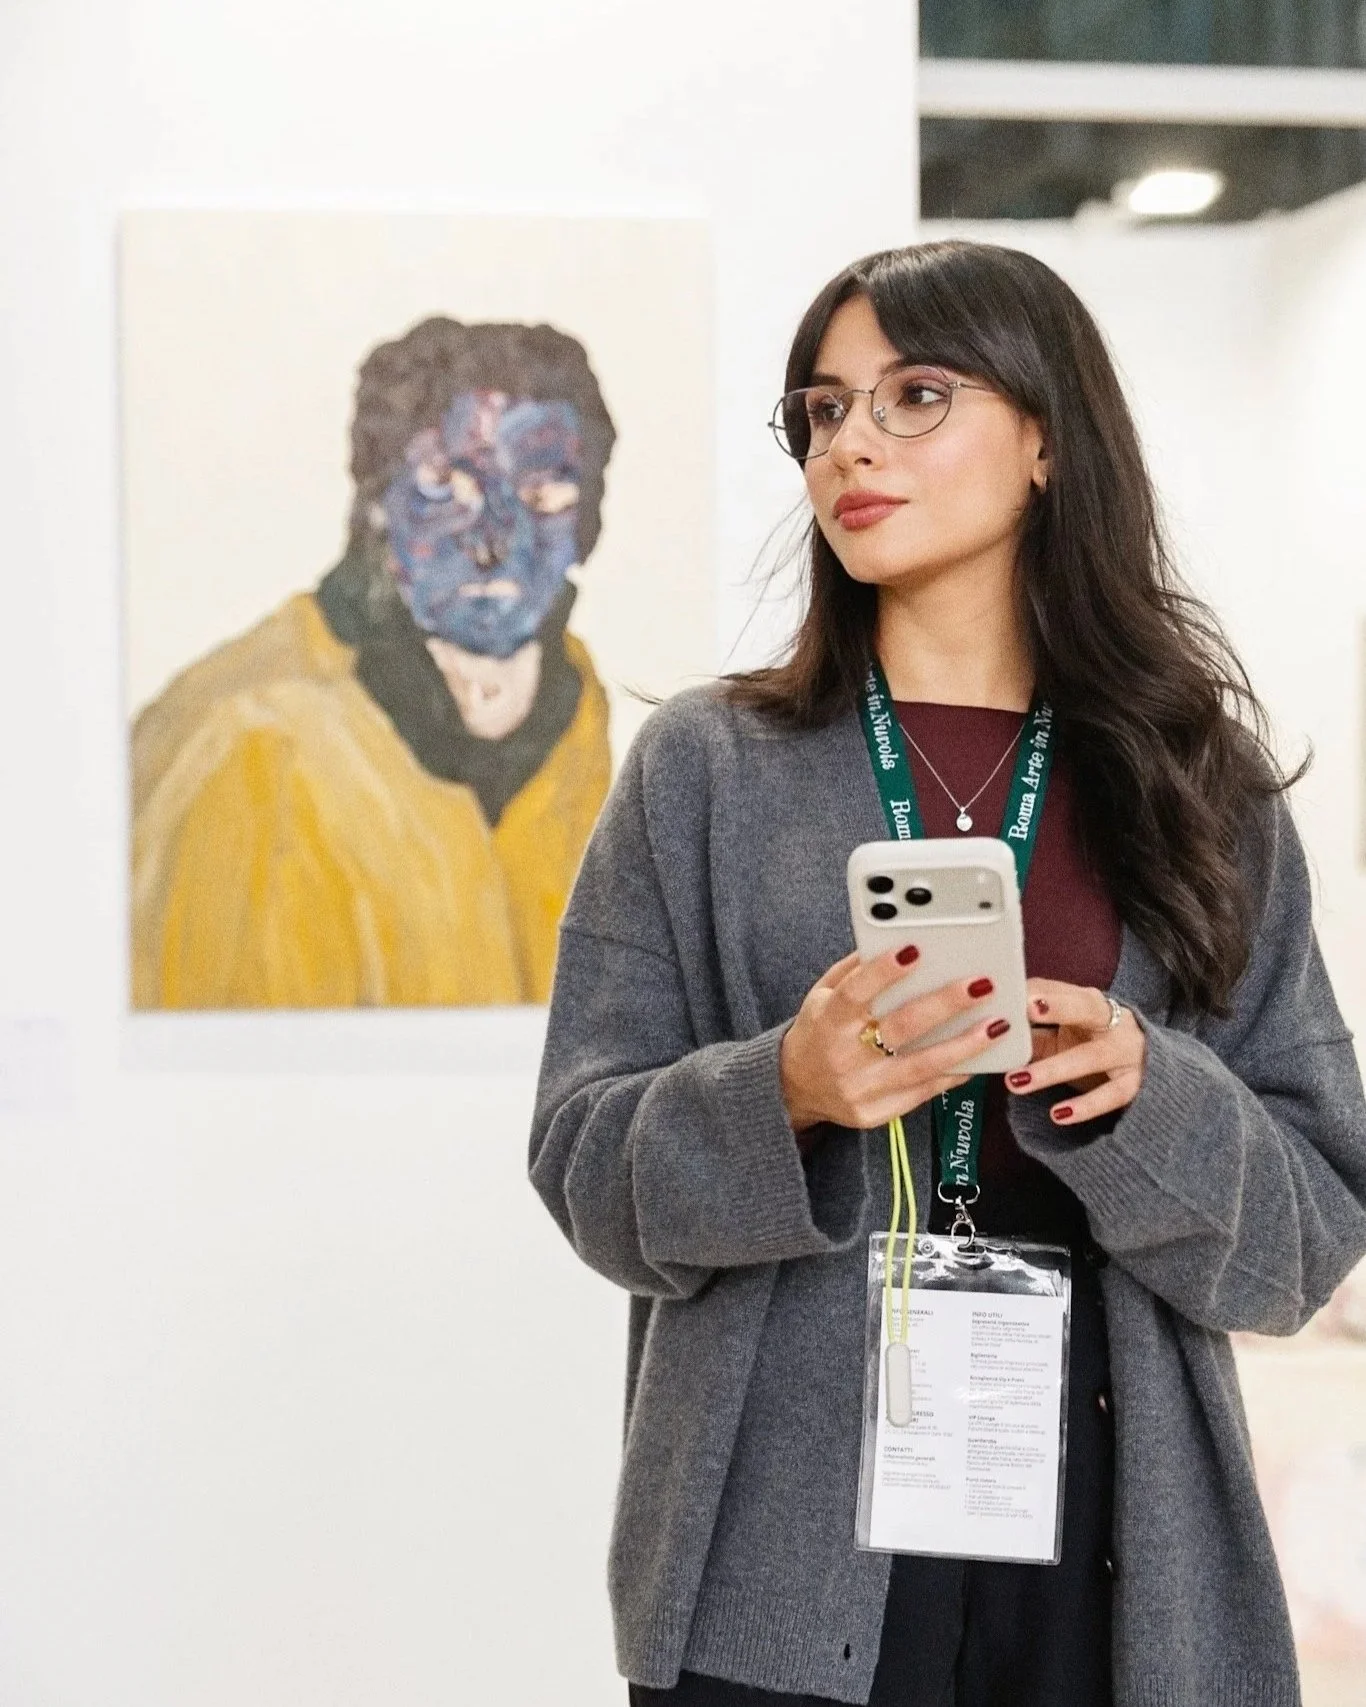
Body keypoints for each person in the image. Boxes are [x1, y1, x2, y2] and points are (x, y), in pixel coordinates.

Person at [528, 240, 1366, 1707]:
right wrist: (784, 1090)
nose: (849, 445)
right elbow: (584, 1169)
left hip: (1117, 1533)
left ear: (1046, 439)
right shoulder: (705, 769)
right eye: (822, 409)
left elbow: (1307, 1235)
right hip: (777, 1536)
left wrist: (1150, 1095)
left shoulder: (1199, 783)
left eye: (914, 396)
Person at [132, 317, 614, 1009]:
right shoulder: (255, 741)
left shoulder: (575, 700)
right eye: (448, 485)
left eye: (541, 495)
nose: (495, 541)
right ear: (380, 503)